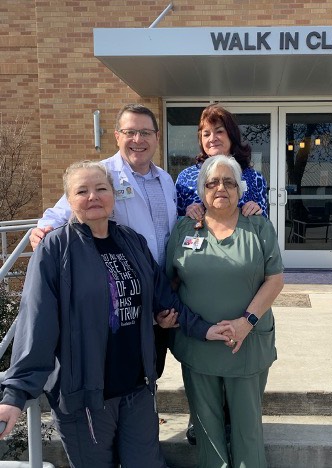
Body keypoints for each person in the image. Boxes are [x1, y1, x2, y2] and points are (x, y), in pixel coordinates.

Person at [0, 161, 234, 468]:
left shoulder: (130, 240)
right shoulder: (55, 249)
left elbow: (163, 296)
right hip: (86, 395)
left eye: (101, 188)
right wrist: (15, 394)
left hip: (136, 386)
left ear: (113, 195)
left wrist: (204, 329)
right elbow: (37, 324)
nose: (93, 196)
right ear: (70, 200)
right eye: (82, 191)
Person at [166, 155, 284, 467]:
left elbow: (275, 278)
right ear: (201, 190)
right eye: (213, 182)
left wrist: (247, 322)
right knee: (206, 429)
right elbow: (170, 283)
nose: (221, 187)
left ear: (240, 189)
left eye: (229, 182)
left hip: (245, 345)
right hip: (198, 345)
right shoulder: (184, 229)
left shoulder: (258, 227)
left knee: (247, 430)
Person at [29, 103, 176, 268]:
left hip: (163, 281)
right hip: (123, 279)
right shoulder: (100, 174)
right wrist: (42, 231)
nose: (138, 139)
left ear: (157, 137)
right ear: (117, 137)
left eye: (145, 133)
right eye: (130, 132)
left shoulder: (166, 180)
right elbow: (61, 213)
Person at [176, 104, 268, 220]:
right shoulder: (185, 178)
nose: (212, 138)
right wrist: (187, 213)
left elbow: (264, 224)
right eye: (206, 134)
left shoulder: (255, 178)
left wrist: (256, 211)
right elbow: (176, 223)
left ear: (231, 135)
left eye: (219, 131)